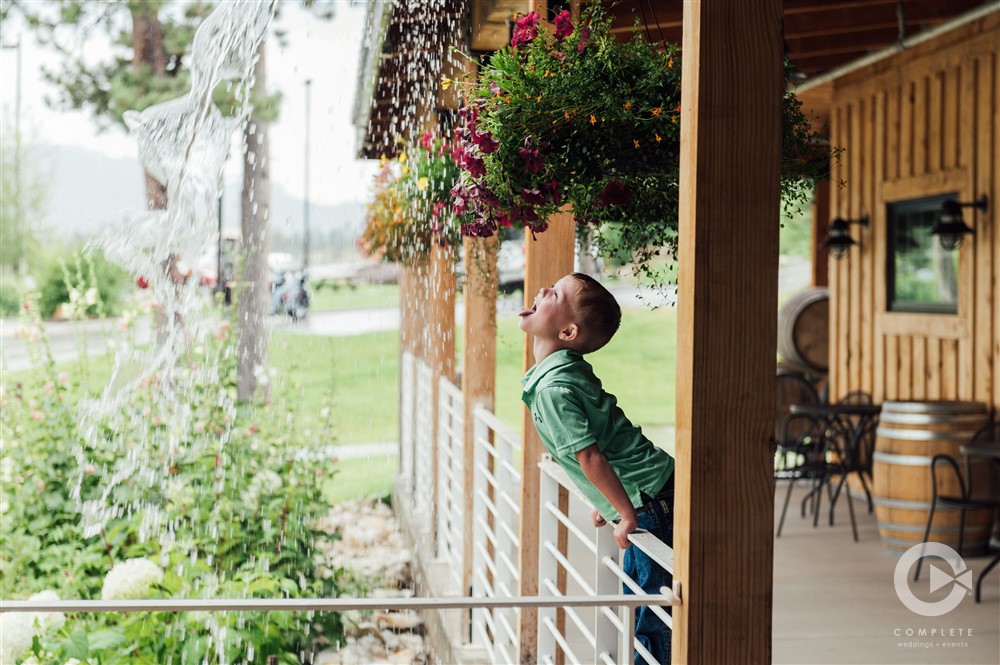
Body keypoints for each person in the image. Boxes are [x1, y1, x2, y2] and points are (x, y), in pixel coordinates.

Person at [519, 272, 675, 665]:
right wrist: (607, 499)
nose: (540, 290)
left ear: (568, 331)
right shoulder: (562, 373)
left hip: (647, 499)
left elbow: (591, 456)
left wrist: (623, 511)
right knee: (644, 603)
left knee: (651, 612)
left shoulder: (555, 389)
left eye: (552, 292)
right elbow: (601, 444)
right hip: (646, 492)